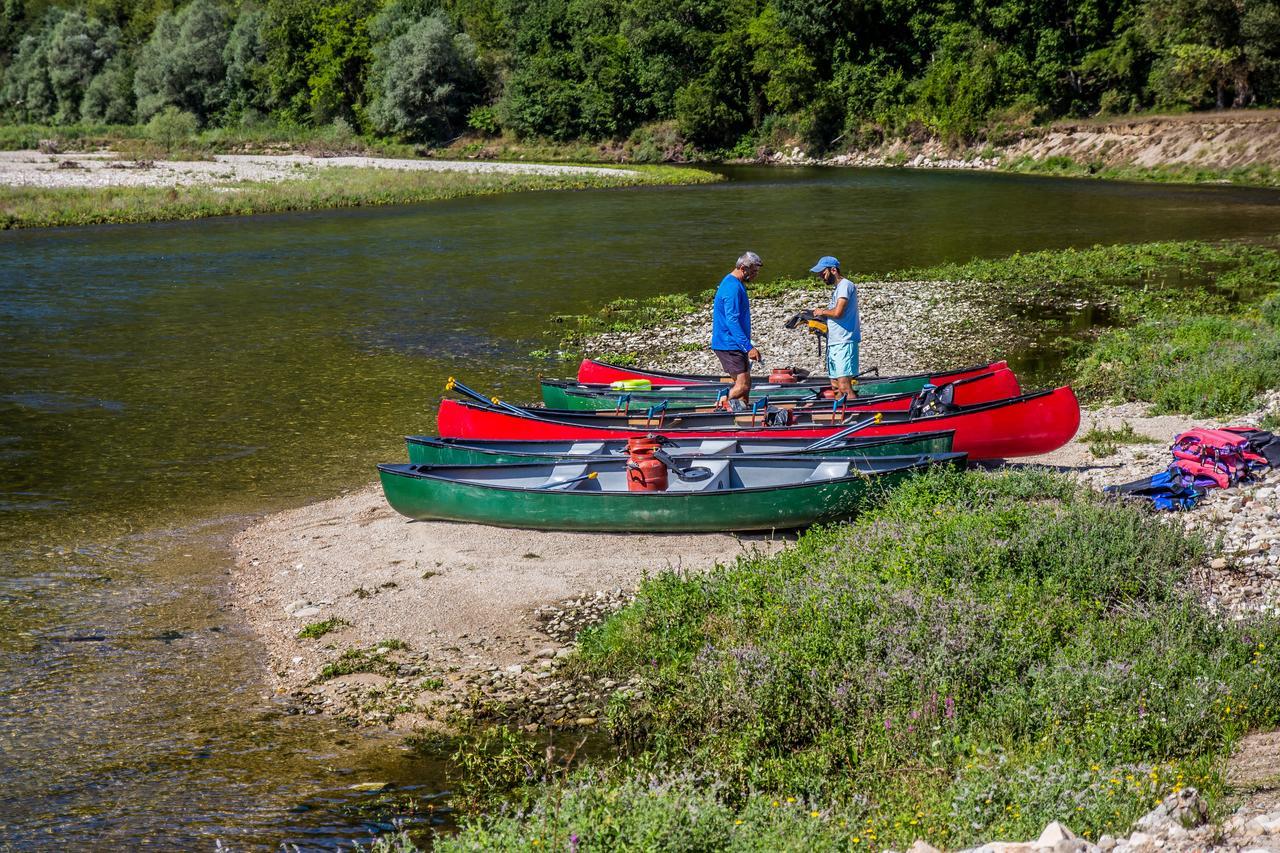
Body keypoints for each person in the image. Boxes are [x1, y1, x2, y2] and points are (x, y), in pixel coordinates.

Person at [711, 251, 763, 408]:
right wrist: (748, 347)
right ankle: (716, 407)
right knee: (743, 386)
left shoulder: (735, 284)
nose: (755, 275)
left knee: (744, 391)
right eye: (753, 271)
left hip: (734, 343)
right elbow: (732, 321)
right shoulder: (732, 287)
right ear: (743, 268)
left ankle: (740, 418)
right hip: (729, 344)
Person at [809, 255, 860, 398]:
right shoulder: (838, 288)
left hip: (844, 341)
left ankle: (854, 414)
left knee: (844, 386)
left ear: (833, 270)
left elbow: (838, 312)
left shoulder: (845, 285)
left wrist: (822, 311)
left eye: (823, 273)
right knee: (836, 388)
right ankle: (839, 418)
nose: (821, 277)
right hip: (834, 342)